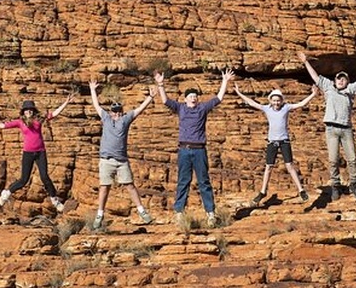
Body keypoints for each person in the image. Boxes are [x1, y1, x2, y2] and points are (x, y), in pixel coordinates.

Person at [298, 52, 356, 200]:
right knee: (333, 160)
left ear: (347, 82)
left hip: (346, 129)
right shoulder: (328, 87)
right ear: (335, 80)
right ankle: (335, 186)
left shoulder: (350, 90)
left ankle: (354, 185)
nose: (341, 81)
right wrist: (306, 62)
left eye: (344, 79)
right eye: (339, 78)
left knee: (352, 159)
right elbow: (315, 77)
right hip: (331, 129)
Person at [154, 68, 234, 228]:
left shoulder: (202, 108)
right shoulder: (180, 108)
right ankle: (179, 212)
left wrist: (225, 81)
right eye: (190, 96)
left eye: (195, 96)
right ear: (185, 99)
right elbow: (165, 101)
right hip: (184, 149)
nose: (193, 98)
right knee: (183, 181)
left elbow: (218, 98)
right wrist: (161, 84)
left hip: (199, 150)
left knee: (204, 181)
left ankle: (210, 213)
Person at [0, 95, 73, 212]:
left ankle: (55, 200)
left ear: (33, 111)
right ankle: (7, 193)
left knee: (45, 177)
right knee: (24, 180)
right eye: (26, 109)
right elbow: (3, 126)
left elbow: (54, 114)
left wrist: (66, 102)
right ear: (23, 112)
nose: (28, 111)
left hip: (40, 153)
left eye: (30, 109)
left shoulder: (38, 120)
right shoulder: (19, 122)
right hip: (28, 154)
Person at [234, 83, 319, 205]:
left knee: (289, 165)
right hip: (272, 142)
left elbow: (301, 104)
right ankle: (263, 192)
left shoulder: (286, 107)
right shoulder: (267, 108)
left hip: (284, 141)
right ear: (270, 100)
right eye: (274, 101)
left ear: (281, 100)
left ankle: (301, 190)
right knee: (269, 167)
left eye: (278, 100)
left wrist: (313, 94)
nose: (276, 103)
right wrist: (239, 93)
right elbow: (252, 103)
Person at [88, 79, 156, 230]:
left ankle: (142, 211)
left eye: (119, 111)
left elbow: (139, 109)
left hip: (121, 161)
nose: (117, 114)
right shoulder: (106, 118)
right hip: (106, 160)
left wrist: (150, 98)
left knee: (130, 185)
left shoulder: (125, 120)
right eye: (114, 111)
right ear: (111, 112)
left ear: (122, 112)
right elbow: (96, 106)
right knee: (104, 187)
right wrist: (93, 90)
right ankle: (99, 214)